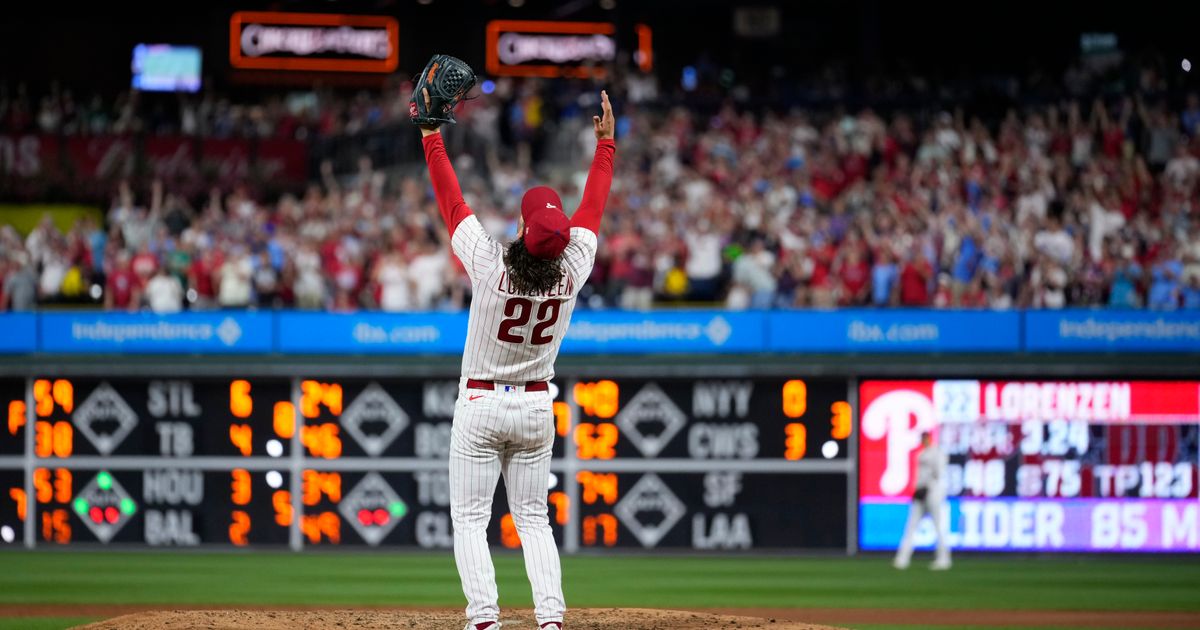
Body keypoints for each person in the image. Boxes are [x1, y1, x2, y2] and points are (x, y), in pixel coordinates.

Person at [419, 88, 615, 630]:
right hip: (534, 407)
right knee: (533, 519)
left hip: (481, 403)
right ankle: (550, 618)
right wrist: (606, 147)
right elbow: (593, 208)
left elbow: (452, 202)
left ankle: (485, 617)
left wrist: (431, 135)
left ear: (524, 230)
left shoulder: (489, 263)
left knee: (470, 519)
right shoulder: (574, 267)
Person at [894, 431, 951, 571]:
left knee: (939, 527)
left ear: (930, 439)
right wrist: (918, 490)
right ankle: (902, 559)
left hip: (933, 492)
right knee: (911, 526)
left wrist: (928, 487)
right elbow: (919, 476)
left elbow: (939, 474)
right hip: (920, 493)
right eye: (922, 438)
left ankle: (944, 559)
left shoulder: (937, 452)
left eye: (926, 438)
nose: (924, 440)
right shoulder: (921, 454)